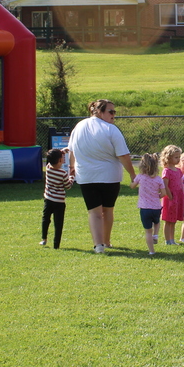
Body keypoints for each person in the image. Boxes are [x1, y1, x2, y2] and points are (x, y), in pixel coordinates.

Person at [67, 99, 136, 254]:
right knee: (107, 210)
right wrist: (132, 174)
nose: (113, 115)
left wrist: (72, 167)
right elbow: (123, 155)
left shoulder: (79, 126)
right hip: (109, 176)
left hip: (86, 176)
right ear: (98, 111)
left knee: (94, 212)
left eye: (114, 112)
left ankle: (99, 245)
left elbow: (72, 150)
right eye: (110, 112)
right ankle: (105, 242)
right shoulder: (111, 129)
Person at [132, 153, 169, 255]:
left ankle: (151, 251)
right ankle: (156, 235)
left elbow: (132, 186)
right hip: (156, 207)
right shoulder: (158, 179)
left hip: (145, 208)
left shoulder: (140, 177)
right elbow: (164, 193)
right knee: (157, 222)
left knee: (148, 231)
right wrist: (157, 197)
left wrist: (133, 182)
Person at [41, 148, 74, 249]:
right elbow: (68, 186)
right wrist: (72, 175)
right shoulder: (62, 173)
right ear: (60, 160)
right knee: (58, 223)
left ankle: (44, 239)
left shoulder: (48, 168)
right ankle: (56, 245)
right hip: (59, 202)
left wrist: (61, 152)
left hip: (48, 199)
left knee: (46, 219)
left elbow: (53, 157)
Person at [159, 144, 184, 246]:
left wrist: (182, 194)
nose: (178, 159)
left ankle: (172, 240)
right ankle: (167, 240)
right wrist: (170, 197)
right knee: (168, 220)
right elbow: (165, 185)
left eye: (179, 157)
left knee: (173, 220)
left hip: (178, 196)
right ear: (168, 157)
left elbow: (180, 183)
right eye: (176, 157)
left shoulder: (178, 170)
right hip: (170, 197)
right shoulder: (166, 171)